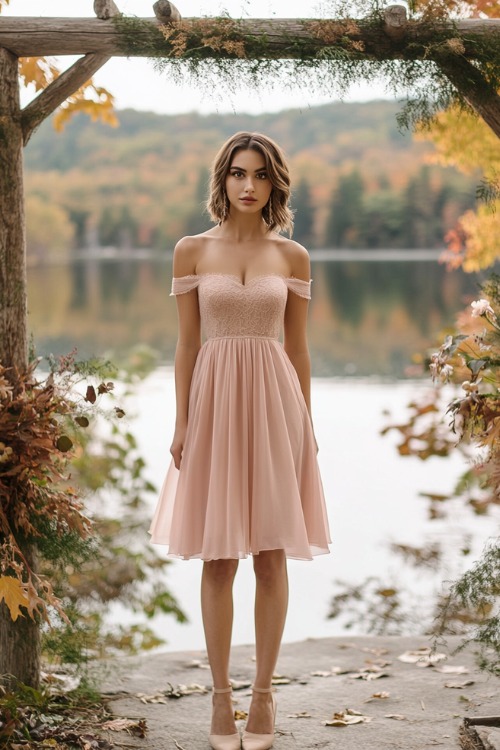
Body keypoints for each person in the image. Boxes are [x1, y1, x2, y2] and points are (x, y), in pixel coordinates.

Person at [149, 131, 331, 750]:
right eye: (236, 174)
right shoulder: (191, 250)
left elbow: (300, 349)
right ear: (222, 181)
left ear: (274, 183)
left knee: (273, 554)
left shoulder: (294, 257)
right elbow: (186, 345)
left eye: (258, 175)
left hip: (276, 406)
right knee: (219, 556)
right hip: (215, 407)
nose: (247, 185)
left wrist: (306, 423)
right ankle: (220, 701)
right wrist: (181, 421)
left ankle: (264, 698)